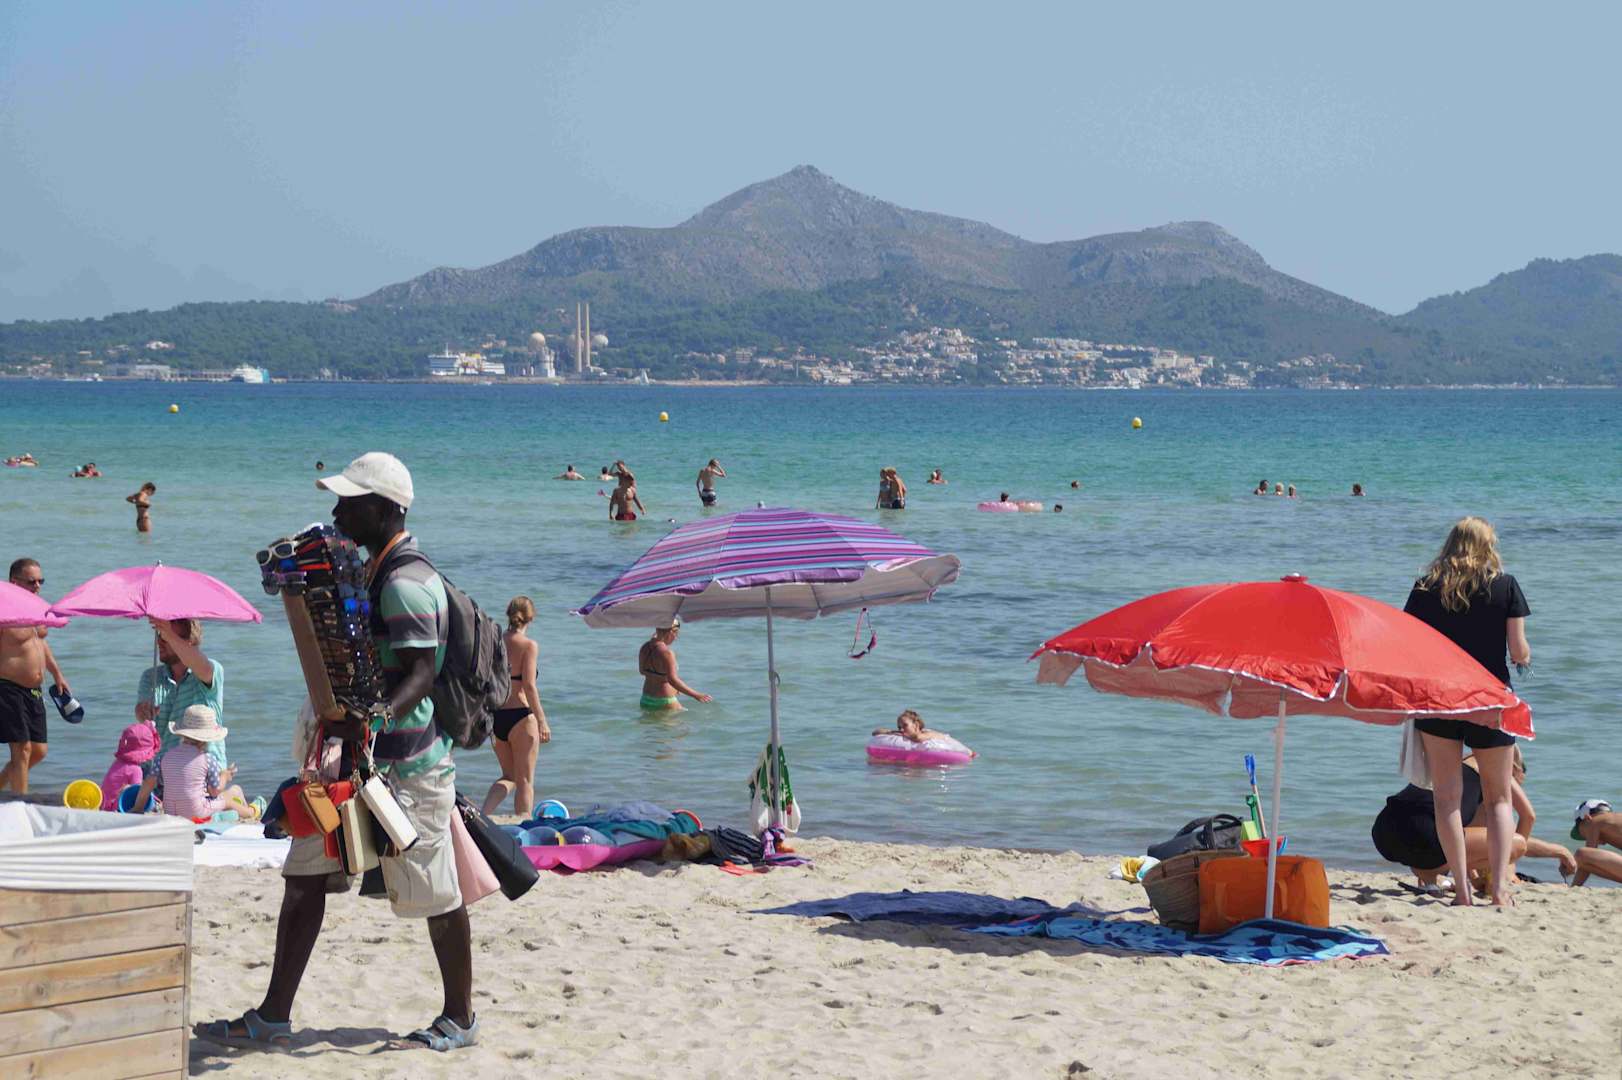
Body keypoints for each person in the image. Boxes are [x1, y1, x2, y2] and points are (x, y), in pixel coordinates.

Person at [197, 451, 476, 1052]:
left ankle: (460, 1017)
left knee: (435, 893)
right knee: (304, 877)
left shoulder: (405, 582)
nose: (337, 512)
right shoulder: (373, 572)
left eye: (350, 501)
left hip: (408, 768)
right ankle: (272, 1015)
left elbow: (422, 672)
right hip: (345, 764)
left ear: (384, 509)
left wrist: (373, 718)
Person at [1403, 516, 1530, 907]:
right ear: (1488, 546)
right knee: (1499, 800)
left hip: (1439, 699)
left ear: (1450, 545)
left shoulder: (1425, 588)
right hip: (1490, 699)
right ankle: (1499, 889)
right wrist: (1524, 659)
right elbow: (1518, 651)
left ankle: (1461, 891)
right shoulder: (1505, 585)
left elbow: (1407, 644)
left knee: (1447, 799)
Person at [1371, 747, 1574, 892]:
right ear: (1516, 768)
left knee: (1440, 834)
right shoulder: (1495, 767)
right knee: (1517, 844)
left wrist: (1476, 878)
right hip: (1424, 838)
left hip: (1384, 833)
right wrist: (1507, 865)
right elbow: (1528, 816)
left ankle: (1430, 879)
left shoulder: (1454, 763)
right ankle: (1433, 875)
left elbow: (1468, 835)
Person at [129, 617, 226, 810]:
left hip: (201, 772)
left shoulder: (209, 671)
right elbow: (141, 713)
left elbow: (204, 669)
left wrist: (169, 635)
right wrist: (142, 712)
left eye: (167, 637)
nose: (160, 641)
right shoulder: (151, 677)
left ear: (189, 642)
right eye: (159, 635)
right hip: (163, 768)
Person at [0, 558, 71, 794]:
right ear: (14, 582)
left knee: (39, 751)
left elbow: (40, 644)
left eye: (41, 581)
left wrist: (57, 673)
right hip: (8, 687)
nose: (38, 586)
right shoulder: (3, 611)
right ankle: (20, 804)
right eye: (32, 582)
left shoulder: (36, 607)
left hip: (34, 690)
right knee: (22, 749)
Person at [483, 596, 550, 818]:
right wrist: (542, 721)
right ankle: (524, 824)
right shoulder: (529, 646)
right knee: (524, 781)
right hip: (521, 717)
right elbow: (529, 686)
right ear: (531, 618)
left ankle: (483, 816)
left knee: (508, 776)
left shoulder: (494, 643)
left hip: (496, 716)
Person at [160, 705, 259, 821]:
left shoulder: (166, 756)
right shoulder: (207, 759)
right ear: (206, 739)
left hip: (170, 813)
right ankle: (251, 812)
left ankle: (235, 805)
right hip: (196, 812)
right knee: (227, 801)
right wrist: (225, 776)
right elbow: (215, 791)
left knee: (234, 791)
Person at [637, 617, 710, 710]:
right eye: (676, 634)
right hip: (665, 701)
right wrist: (696, 695)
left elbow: (642, 671)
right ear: (671, 632)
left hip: (646, 699)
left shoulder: (645, 647)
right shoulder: (667, 653)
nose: (676, 638)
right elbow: (673, 680)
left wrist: (662, 678)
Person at [1571, 801, 1622, 885]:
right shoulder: (1614, 821)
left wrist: (1574, 886)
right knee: (1586, 863)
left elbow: (1585, 857)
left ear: (1587, 818)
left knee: (1581, 854)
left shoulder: (1594, 821)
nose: (1586, 839)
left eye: (1585, 835)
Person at [871, 709, 947, 743]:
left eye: (905, 725)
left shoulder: (928, 733)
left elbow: (918, 738)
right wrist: (892, 732)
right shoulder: (902, 733)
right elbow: (875, 732)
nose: (901, 729)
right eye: (899, 727)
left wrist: (901, 734)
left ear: (916, 725)